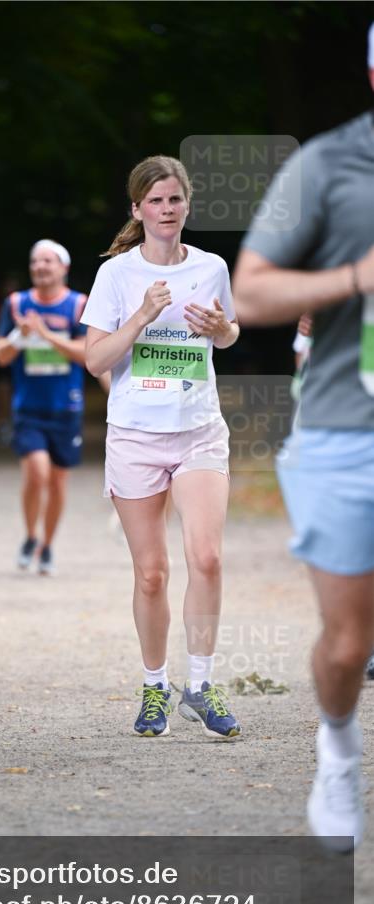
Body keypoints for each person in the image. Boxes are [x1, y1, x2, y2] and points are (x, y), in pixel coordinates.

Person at [232, 26, 374, 849]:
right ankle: (336, 748)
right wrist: (357, 275)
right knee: (350, 638)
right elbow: (249, 292)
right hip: (344, 432)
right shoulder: (323, 165)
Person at [82, 155, 242, 741]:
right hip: (135, 435)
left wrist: (220, 330)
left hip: (199, 427)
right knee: (151, 573)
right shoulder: (116, 276)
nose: (167, 210)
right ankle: (156, 686)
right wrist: (142, 317)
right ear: (137, 210)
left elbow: (230, 334)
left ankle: (201, 685)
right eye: (155, 201)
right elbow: (95, 359)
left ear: (186, 205)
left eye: (175, 199)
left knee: (207, 558)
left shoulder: (211, 267)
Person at [0, 240, 87, 575]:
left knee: (58, 482)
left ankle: (47, 545)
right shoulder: (17, 304)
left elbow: (88, 353)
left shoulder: (77, 305)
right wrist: (21, 335)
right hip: (28, 407)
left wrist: (47, 335)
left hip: (65, 407)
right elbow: (0, 355)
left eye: (48, 261)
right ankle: (30, 535)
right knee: (37, 472)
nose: (41, 267)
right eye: (35, 261)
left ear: (64, 267)